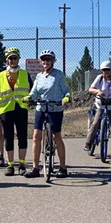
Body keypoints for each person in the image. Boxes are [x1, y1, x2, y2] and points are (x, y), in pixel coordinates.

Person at [23, 49, 71, 178]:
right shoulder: (39, 76)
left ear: (53, 62)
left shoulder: (59, 75)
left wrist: (66, 98)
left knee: (56, 136)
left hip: (55, 108)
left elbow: (66, 91)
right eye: (43, 59)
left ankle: (62, 167)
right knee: (36, 136)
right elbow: (34, 92)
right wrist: (29, 97)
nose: (46, 62)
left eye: (48, 59)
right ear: (40, 62)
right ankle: (35, 168)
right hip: (41, 108)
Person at [0, 47, 34, 176]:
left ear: (18, 59)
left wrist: (31, 99)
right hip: (6, 109)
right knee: (8, 137)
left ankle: (21, 164)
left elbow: (32, 89)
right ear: (7, 60)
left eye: (15, 58)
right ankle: (10, 165)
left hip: (21, 108)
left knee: (22, 136)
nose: (12, 60)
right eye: (10, 58)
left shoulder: (24, 73)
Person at [84, 60, 111, 158]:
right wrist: (98, 91)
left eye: (108, 70)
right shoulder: (99, 78)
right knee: (95, 124)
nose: (106, 72)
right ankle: (88, 143)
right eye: (104, 70)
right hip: (101, 105)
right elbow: (91, 89)